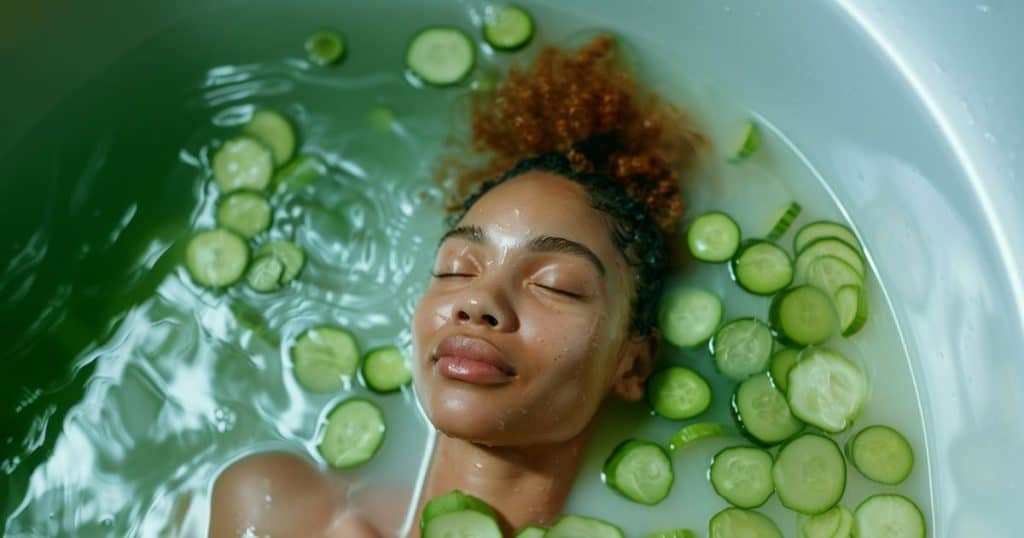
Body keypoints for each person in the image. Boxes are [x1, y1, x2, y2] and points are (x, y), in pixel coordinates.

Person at [209, 35, 704, 537]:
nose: (478, 301)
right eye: (456, 269)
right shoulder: (281, 511)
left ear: (632, 364)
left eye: (555, 285)